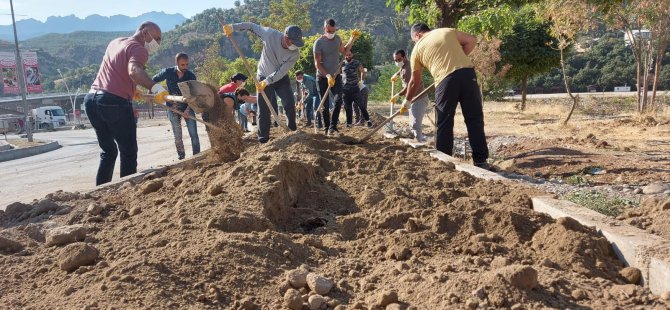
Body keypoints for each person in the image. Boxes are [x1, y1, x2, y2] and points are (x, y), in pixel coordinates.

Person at [84, 21, 168, 185]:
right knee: (128, 152)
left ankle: (100, 192)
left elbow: (117, 70)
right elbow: (134, 70)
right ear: (144, 32)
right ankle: (127, 193)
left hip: (92, 100)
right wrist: (155, 88)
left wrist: (132, 88)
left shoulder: (116, 42)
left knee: (108, 152)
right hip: (113, 103)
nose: (157, 43)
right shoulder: (139, 49)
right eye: (156, 38)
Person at [402, 23, 489, 168]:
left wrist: (407, 101)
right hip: (468, 74)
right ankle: (481, 161)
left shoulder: (417, 48)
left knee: (444, 121)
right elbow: (472, 40)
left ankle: (444, 161)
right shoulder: (447, 31)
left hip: (445, 80)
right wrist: (457, 57)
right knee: (474, 119)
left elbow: (414, 81)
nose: (415, 42)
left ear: (417, 35)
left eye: (414, 40)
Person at [223, 22, 304, 143]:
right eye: (293, 42)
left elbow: (282, 71)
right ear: (286, 37)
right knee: (263, 109)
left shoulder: (295, 54)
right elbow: (251, 26)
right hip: (262, 75)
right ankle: (263, 139)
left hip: (280, 79)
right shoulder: (270, 35)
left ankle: (292, 131)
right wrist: (233, 27)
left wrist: (268, 81)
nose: (295, 46)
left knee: (289, 103)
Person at [313, 18, 358, 137]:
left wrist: (352, 39)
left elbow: (344, 51)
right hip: (322, 78)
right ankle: (327, 128)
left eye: (333, 31)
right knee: (325, 105)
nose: (331, 33)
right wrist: (327, 75)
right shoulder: (318, 43)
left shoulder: (337, 39)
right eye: (329, 31)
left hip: (336, 75)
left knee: (338, 100)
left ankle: (333, 127)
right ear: (324, 29)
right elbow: (317, 64)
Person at [152, 52, 199, 160]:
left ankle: (197, 157)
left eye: (187, 64)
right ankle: (181, 157)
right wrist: (157, 91)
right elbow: (153, 80)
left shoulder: (191, 76)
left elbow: (194, 95)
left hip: (188, 106)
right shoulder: (167, 72)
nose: (185, 67)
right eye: (182, 65)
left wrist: (188, 109)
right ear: (176, 63)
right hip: (172, 107)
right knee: (177, 136)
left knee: (194, 134)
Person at [391, 49, 429, 142]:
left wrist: (398, 95)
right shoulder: (405, 65)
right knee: (412, 123)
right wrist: (396, 74)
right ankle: (419, 139)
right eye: (395, 60)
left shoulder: (408, 68)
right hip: (412, 98)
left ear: (404, 57)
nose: (397, 62)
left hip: (418, 98)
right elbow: (402, 69)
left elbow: (409, 86)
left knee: (415, 124)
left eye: (399, 59)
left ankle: (419, 143)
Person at [341, 51, 372, 128]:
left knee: (361, 105)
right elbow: (338, 73)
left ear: (352, 55)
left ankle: (368, 121)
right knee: (347, 107)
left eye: (349, 55)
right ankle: (349, 123)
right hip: (345, 89)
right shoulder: (342, 63)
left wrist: (362, 81)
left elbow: (363, 71)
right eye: (346, 55)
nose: (348, 56)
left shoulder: (356, 63)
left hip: (355, 88)